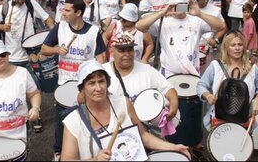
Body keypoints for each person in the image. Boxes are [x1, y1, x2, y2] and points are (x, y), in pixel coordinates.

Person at [60, 60, 190, 161]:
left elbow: (143, 136)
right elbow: (66, 159)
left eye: (101, 81)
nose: (98, 88)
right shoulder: (73, 121)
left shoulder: (123, 103)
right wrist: (96, 159)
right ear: (82, 88)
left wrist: (173, 147)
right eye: (91, 83)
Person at [41, 0, 106, 158]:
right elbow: (43, 49)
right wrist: (57, 50)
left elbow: (101, 59)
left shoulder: (93, 32)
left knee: (86, 123)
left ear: (78, 13)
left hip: (85, 89)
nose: (63, 12)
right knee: (62, 124)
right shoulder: (60, 27)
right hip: (64, 85)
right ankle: (58, 153)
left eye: (67, 10)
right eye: (63, 9)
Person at [136, 0, 226, 77]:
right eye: (175, 5)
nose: (179, 8)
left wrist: (200, 14)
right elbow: (139, 26)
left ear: (186, 4)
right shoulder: (162, 22)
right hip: (168, 73)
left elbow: (221, 26)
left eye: (181, 4)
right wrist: (161, 13)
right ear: (170, 5)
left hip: (192, 72)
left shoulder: (196, 20)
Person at [197, 31, 258, 131]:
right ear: (226, 48)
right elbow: (201, 86)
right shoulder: (216, 66)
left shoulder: (252, 69)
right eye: (233, 45)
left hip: (244, 122)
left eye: (240, 44)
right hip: (218, 122)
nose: (237, 48)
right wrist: (208, 96)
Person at [104, 35, 179, 122]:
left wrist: (174, 104)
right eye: (122, 50)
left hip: (144, 127)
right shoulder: (102, 73)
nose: (127, 54)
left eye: (130, 49)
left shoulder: (146, 70)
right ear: (111, 51)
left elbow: (168, 88)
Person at [0, 0, 54, 67]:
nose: (20, 1)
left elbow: (47, 18)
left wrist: (53, 36)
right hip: (11, 57)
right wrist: (2, 27)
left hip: (31, 56)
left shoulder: (31, 4)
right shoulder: (5, 7)